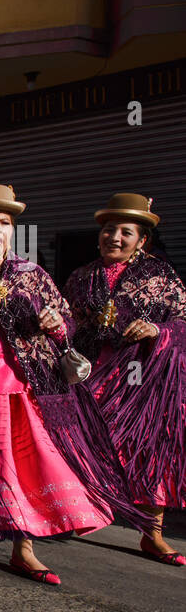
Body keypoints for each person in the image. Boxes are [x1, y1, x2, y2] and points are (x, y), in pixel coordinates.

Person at [0, 184, 148, 585]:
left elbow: (67, 324)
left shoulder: (32, 275)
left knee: (22, 465)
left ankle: (23, 548)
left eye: (5, 224)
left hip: (20, 386)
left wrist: (55, 326)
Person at [64, 193, 186, 565]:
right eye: (108, 229)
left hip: (142, 380)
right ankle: (77, 512)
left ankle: (153, 534)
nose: (114, 237)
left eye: (125, 231)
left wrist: (156, 329)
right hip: (91, 376)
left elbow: (182, 321)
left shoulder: (160, 276)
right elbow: (66, 324)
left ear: (142, 240)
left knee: (149, 451)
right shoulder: (81, 276)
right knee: (79, 443)